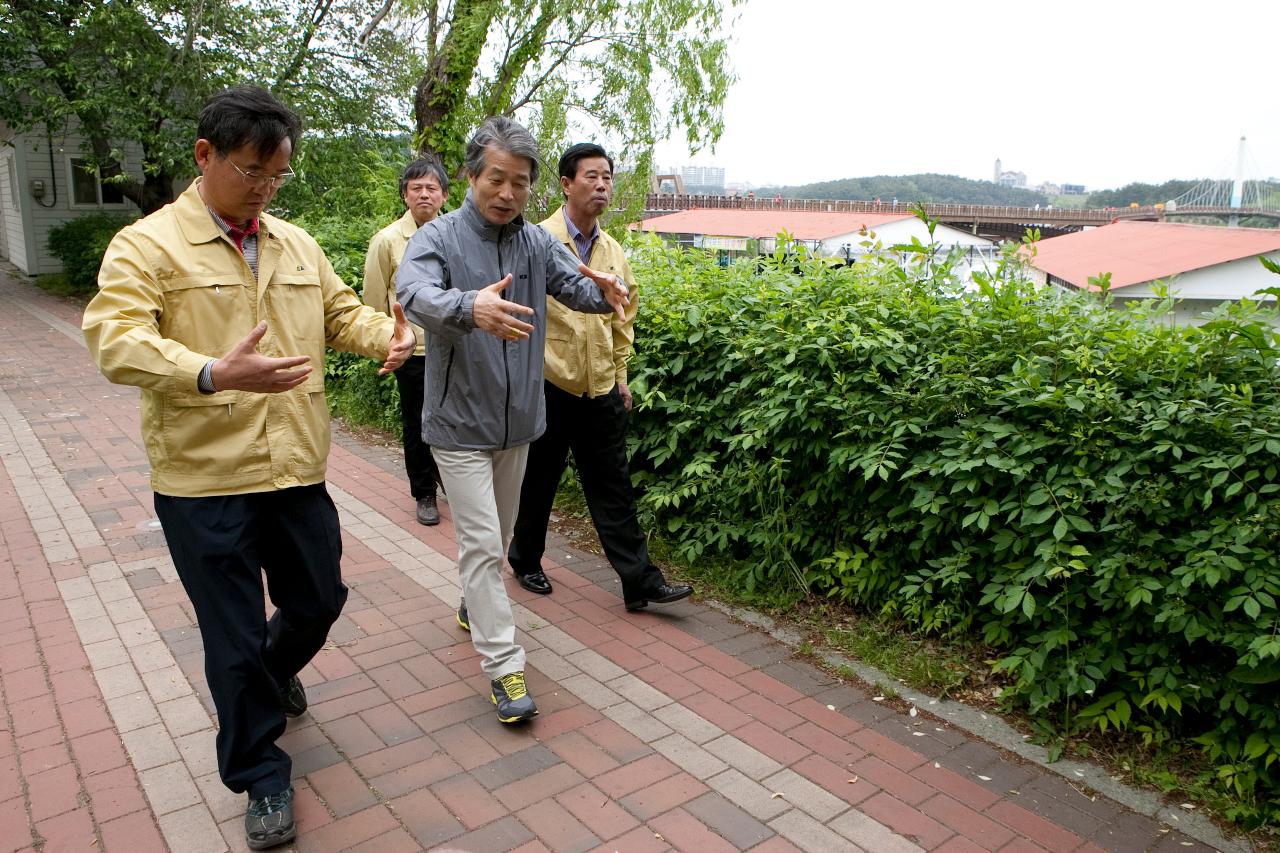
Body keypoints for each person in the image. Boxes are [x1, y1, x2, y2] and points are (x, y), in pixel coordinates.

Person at [82, 86, 414, 850]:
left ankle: (266, 676)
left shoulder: (294, 243)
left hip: (296, 464)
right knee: (230, 640)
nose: (264, 187)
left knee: (320, 598)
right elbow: (114, 339)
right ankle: (260, 773)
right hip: (203, 480)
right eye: (251, 171)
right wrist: (208, 371)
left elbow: (338, 314)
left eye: (277, 175)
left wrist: (385, 335)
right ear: (205, 157)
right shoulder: (147, 245)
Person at [396, 117, 630, 725]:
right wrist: (471, 306)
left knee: (497, 539)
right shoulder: (440, 238)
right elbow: (412, 294)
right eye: (496, 179)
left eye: (520, 183)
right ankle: (504, 668)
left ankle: (476, 604)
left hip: (520, 420)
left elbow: (572, 292)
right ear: (473, 177)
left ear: (532, 188)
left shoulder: (535, 243)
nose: (507, 193)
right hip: (457, 423)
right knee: (479, 544)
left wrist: (604, 292)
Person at [508, 143, 693, 612]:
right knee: (538, 482)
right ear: (566, 184)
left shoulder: (612, 250)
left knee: (614, 486)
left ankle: (639, 581)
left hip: (602, 388)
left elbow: (622, 318)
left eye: (607, 177)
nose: (602, 185)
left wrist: (622, 376)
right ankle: (525, 558)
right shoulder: (536, 241)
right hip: (549, 385)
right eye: (591, 176)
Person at [363, 157, 449, 524]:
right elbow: (372, 299)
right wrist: (389, 340)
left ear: (444, 195)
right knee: (417, 421)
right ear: (405, 195)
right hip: (413, 349)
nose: (424, 195)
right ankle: (424, 492)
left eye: (432, 188)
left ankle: (450, 480)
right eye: (417, 188)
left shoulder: (454, 236)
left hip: (452, 347)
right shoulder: (386, 241)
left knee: (453, 419)